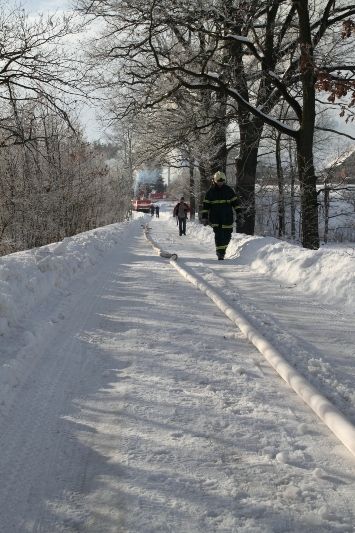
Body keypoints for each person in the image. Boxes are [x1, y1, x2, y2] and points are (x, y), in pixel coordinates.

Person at [200, 171, 239, 260]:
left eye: (222, 181)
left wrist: (239, 213)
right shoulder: (210, 192)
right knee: (219, 235)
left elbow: (236, 203)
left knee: (227, 236)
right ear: (214, 181)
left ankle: (222, 250)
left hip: (227, 218)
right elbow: (206, 205)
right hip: (216, 219)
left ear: (224, 181)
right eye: (218, 181)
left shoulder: (229, 190)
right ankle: (220, 253)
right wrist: (205, 217)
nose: (220, 183)